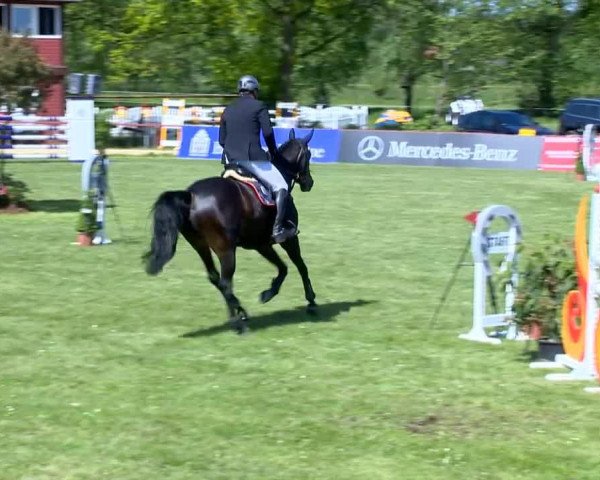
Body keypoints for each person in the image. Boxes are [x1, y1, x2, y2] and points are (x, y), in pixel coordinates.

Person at [219, 74, 296, 244]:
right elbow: (268, 133)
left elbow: (221, 140)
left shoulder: (227, 109)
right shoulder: (259, 106)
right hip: (252, 160)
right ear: (254, 90)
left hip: (230, 162)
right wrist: (274, 152)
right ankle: (277, 230)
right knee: (281, 185)